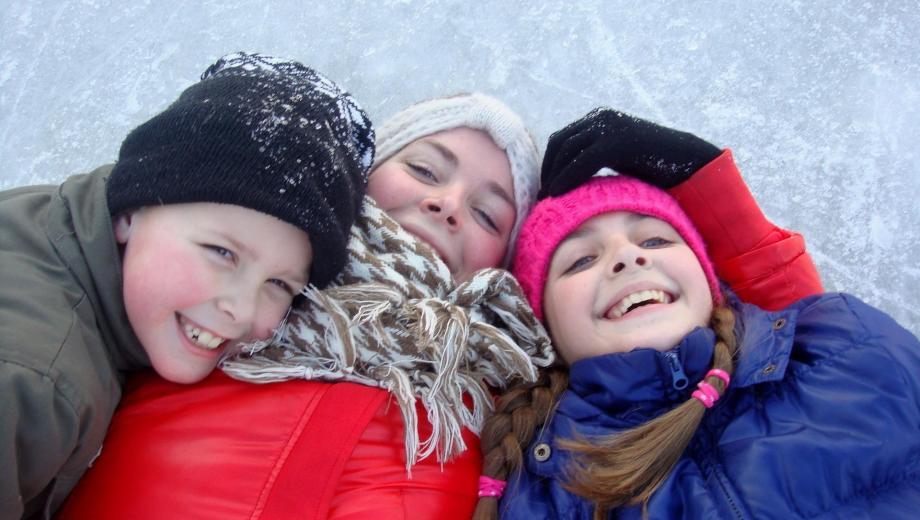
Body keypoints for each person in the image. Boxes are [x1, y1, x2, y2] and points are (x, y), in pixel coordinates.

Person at [58, 107, 824, 520]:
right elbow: (58, 267)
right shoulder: (222, 307)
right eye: (423, 168)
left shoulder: (511, 390)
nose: (447, 204)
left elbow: (805, 357)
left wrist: (706, 190)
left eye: (491, 213)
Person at [474, 121, 920, 518]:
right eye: (580, 260)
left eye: (654, 238)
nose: (628, 257)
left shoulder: (844, 341)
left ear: (710, 282)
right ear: (545, 326)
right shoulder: (537, 487)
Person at [0, 51, 374, 519]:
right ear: (130, 211)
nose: (240, 308)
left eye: (279, 283)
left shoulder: (58, 223)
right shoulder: (34, 383)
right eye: (222, 253)